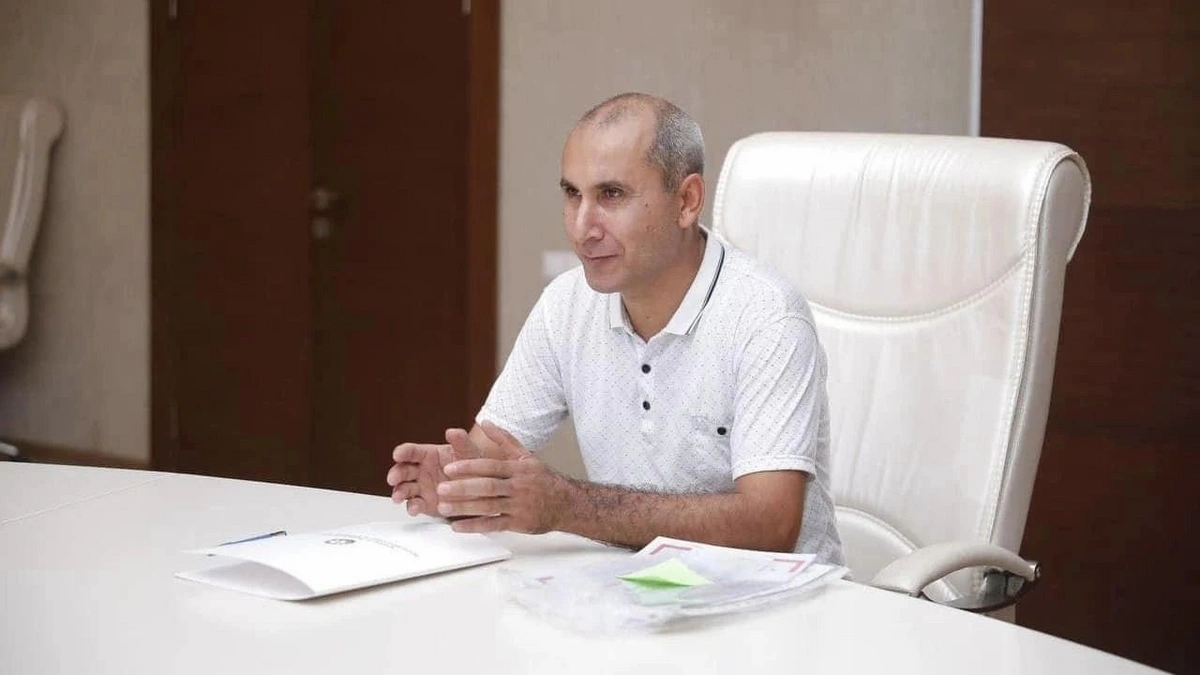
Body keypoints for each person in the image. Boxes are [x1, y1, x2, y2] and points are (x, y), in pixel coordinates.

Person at [387, 93, 843, 564]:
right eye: (572, 194)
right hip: (639, 587)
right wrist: (458, 484)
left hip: (779, 599)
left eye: (611, 195)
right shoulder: (566, 304)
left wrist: (567, 506)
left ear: (686, 201)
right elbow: (489, 454)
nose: (582, 227)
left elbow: (771, 526)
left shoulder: (766, 316)